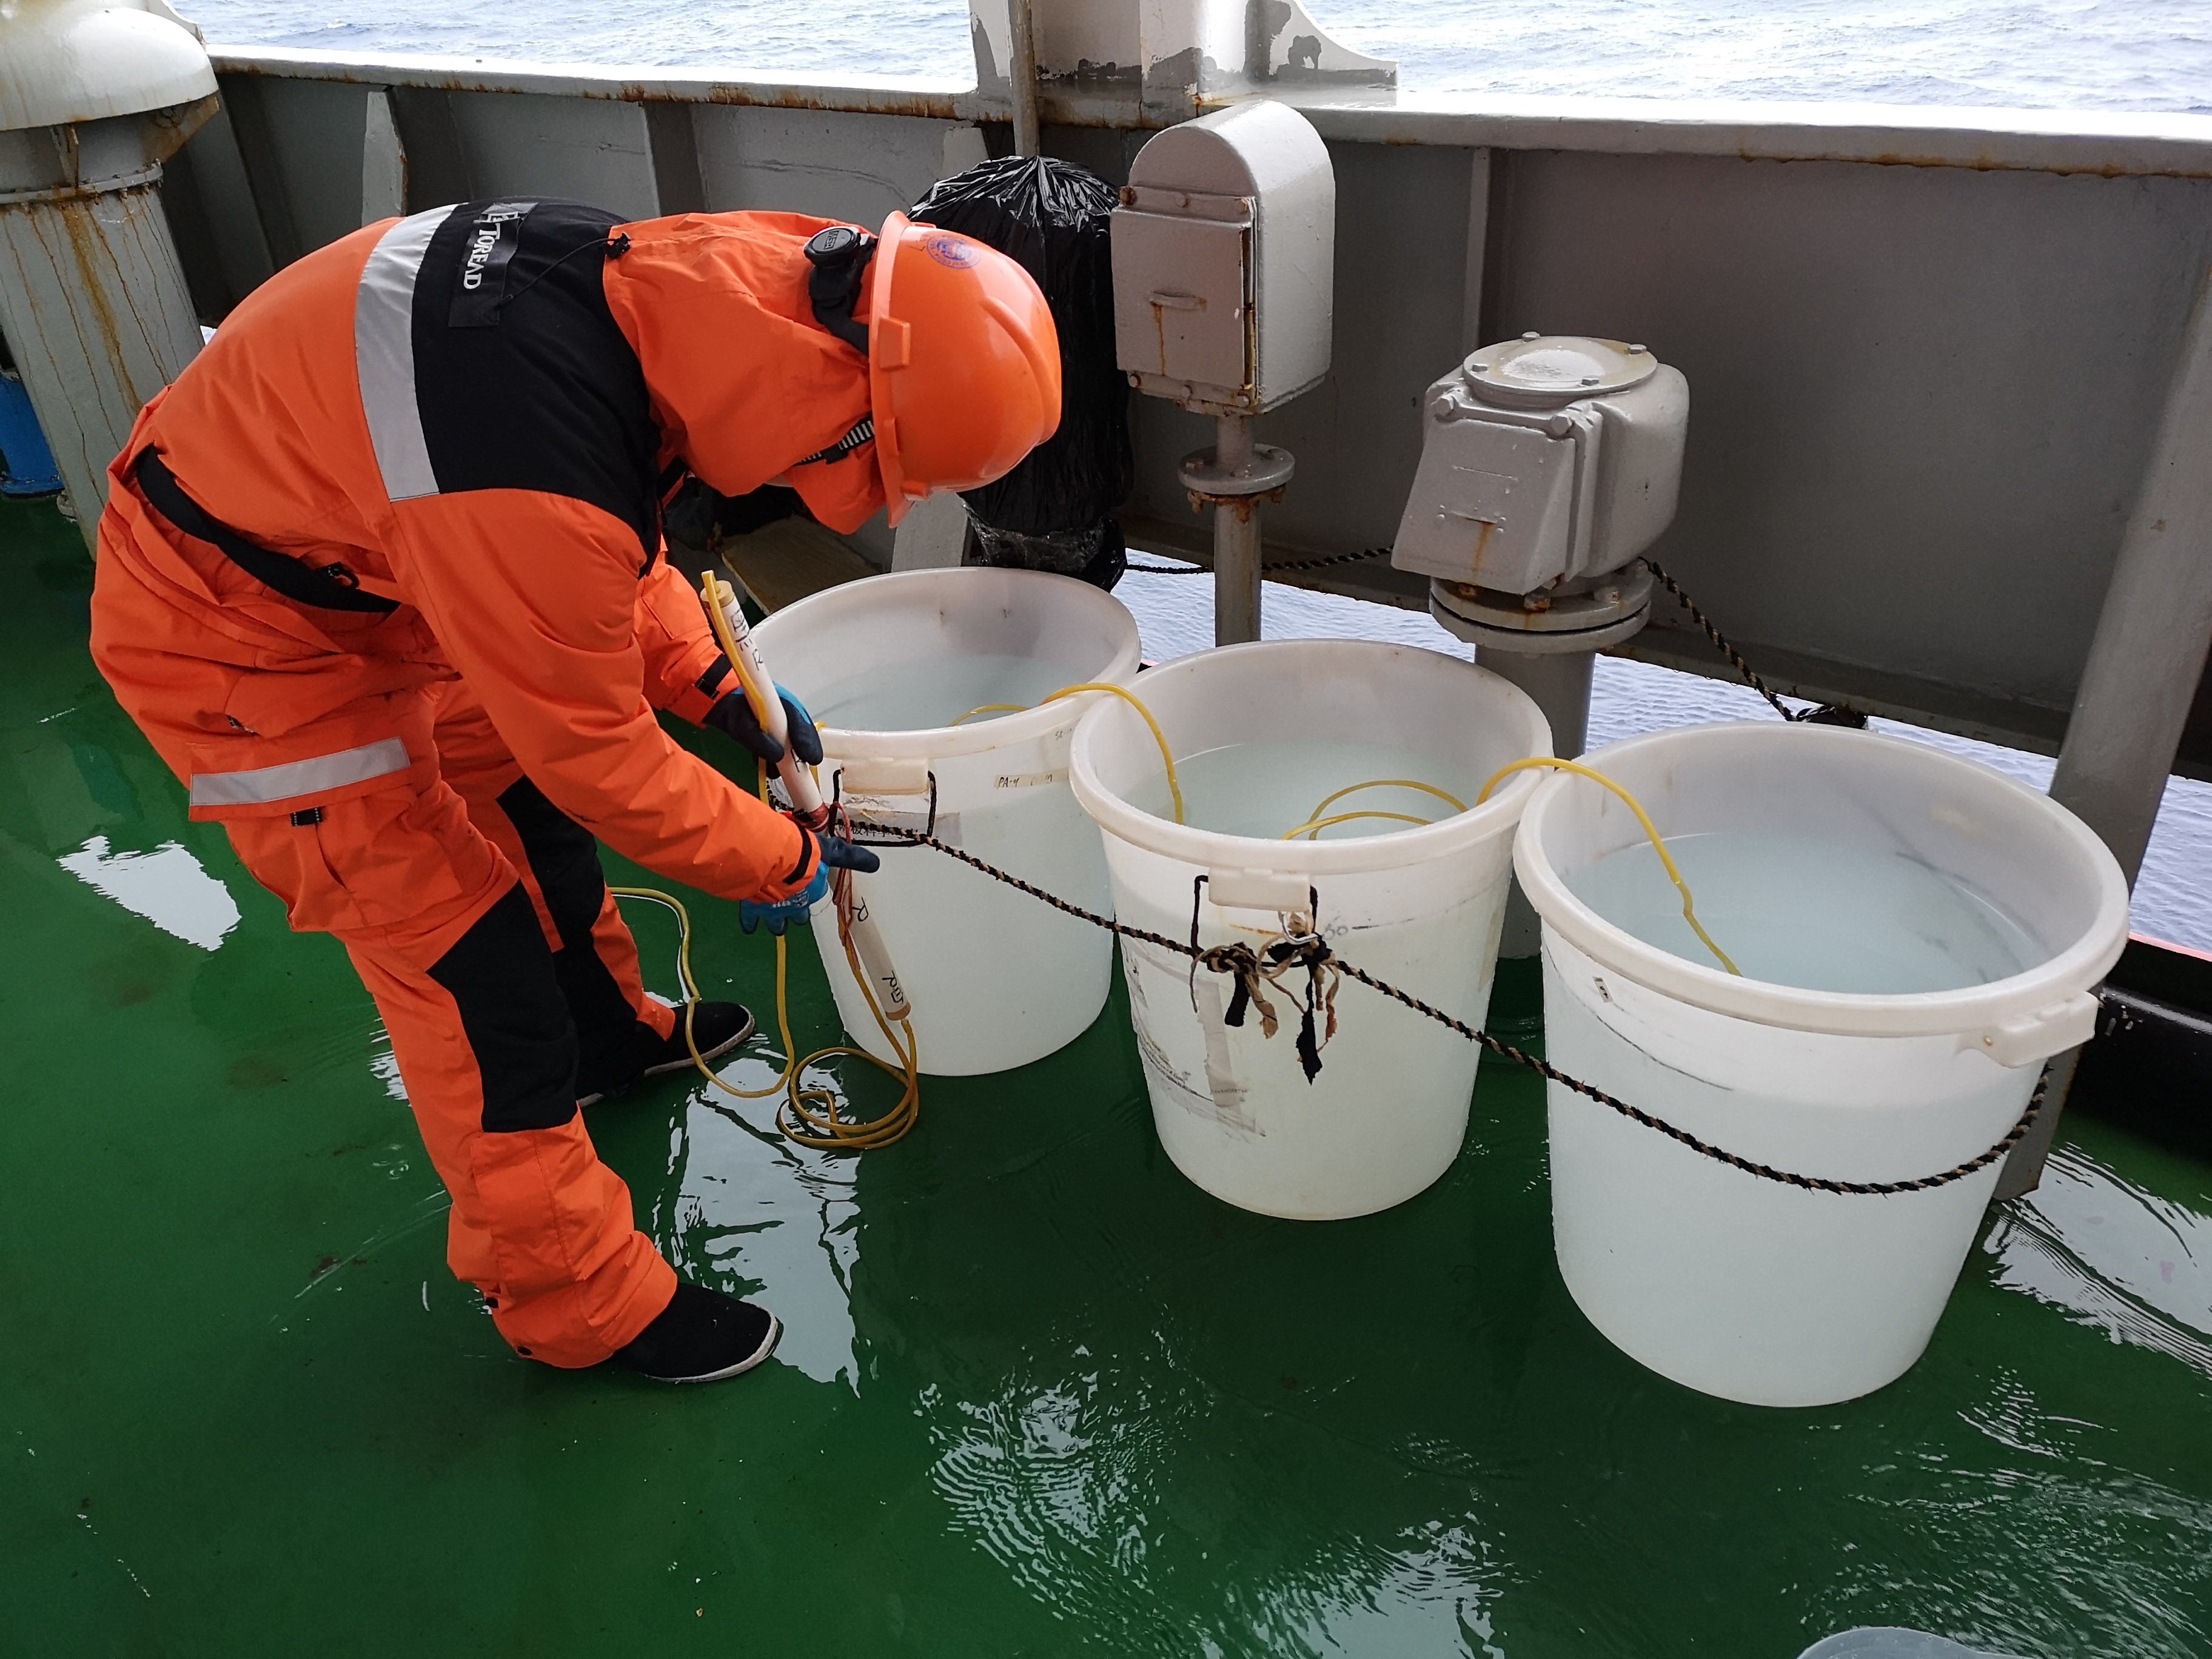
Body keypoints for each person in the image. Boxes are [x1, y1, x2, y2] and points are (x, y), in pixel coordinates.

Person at [89, 201, 1060, 1383]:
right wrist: (780, 857)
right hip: (239, 641)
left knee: (523, 813)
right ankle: (574, 1302)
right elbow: (601, 752)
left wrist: (714, 680)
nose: (856, 496)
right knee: (468, 959)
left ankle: (608, 1039)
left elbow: (604, 548)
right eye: (873, 470)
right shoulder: (526, 465)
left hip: (389, 571)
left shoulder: (671, 303)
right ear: (841, 416)